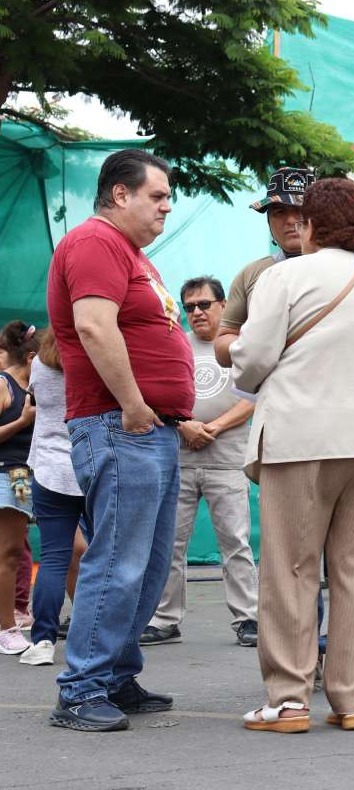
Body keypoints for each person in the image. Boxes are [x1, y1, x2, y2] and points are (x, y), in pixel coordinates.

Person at [231, 177, 354, 732]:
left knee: (291, 569)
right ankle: (351, 700)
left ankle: (290, 700)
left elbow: (250, 362)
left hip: (301, 440)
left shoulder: (285, 276)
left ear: (312, 225)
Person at [46, 149, 193, 732]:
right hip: (119, 424)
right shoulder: (95, 242)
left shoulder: (131, 255)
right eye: (157, 196)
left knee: (150, 565)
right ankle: (81, 688)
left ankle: (113, 674)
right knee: (118, 562)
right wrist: (133, 404)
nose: (166, 207)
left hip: (148, 429)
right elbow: (92, 326)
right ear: (120, 194)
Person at [140, 277, 259, 648]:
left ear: (223, 306)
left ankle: (248, 618)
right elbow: (155, 392)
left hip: (227, 460)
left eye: (204, 304)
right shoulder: (175, 344)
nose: (196, 313)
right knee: (170, 544)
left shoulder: (239, 346)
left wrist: (214, 426)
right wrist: (183, 425)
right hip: (179, 459)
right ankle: (164, 619)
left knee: (236, 542)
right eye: (189, 307)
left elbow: (255, 396)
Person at [21, 329, 91, 666]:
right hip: (92, 464)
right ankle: (97, 637)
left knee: (53, 558)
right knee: (103, 557)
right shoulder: (94, 361)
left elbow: (33, 403)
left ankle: (43, 642)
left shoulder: (39, 366)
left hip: (49, 468)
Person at [213, 167, 315, 368]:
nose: (291, 220)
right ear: (268, 221)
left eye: (300, 209)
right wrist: (256, 345)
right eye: (279, 212)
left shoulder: (344, 268)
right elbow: (222, 347)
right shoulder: (251, 275)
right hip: (270, 395)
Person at [0, 321, 38, 656]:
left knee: (77, 549)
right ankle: (7, 628)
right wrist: (22, 422)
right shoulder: (3, 385)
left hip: (35, 476)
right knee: (9, 553)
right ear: (30, 357)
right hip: (8, 476)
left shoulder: (35, 388)